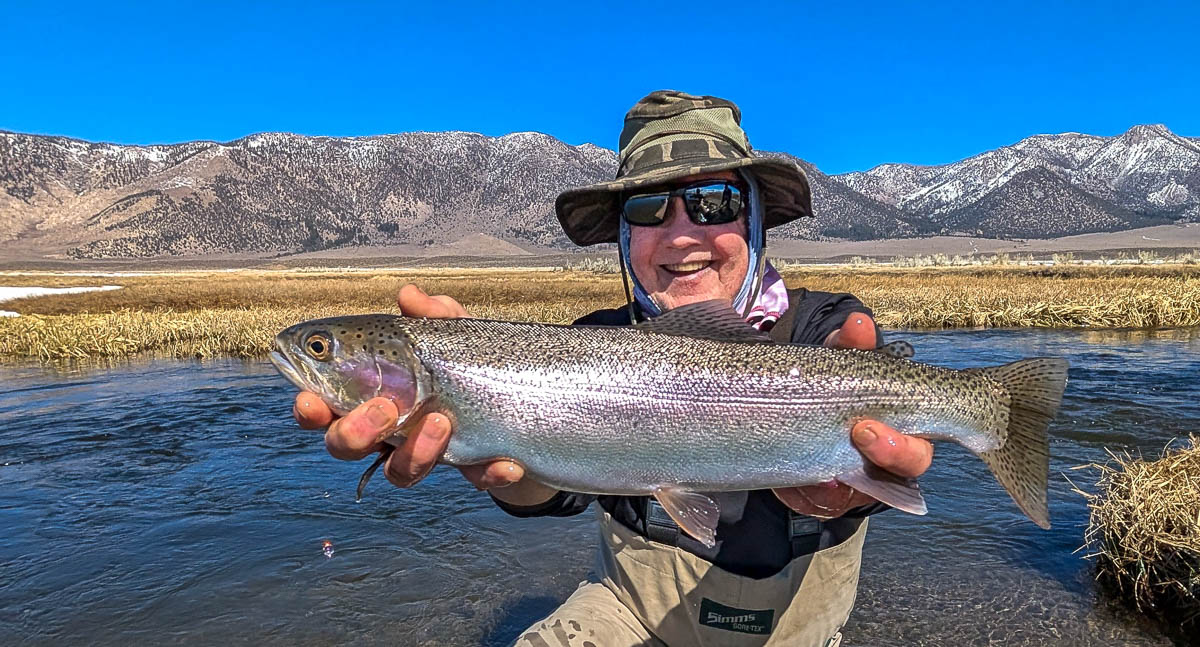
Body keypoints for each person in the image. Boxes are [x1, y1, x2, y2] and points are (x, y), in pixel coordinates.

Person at [292, 91, 934, 647]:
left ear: (757, 219)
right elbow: (551, 489)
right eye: (648, 208)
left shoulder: (829, 335)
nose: (683, 235)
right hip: (632, 616)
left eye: (713, 202)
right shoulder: (592, 346)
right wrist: (500, 469)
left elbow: (886, 446)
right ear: (623, 237)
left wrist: (857, 490)